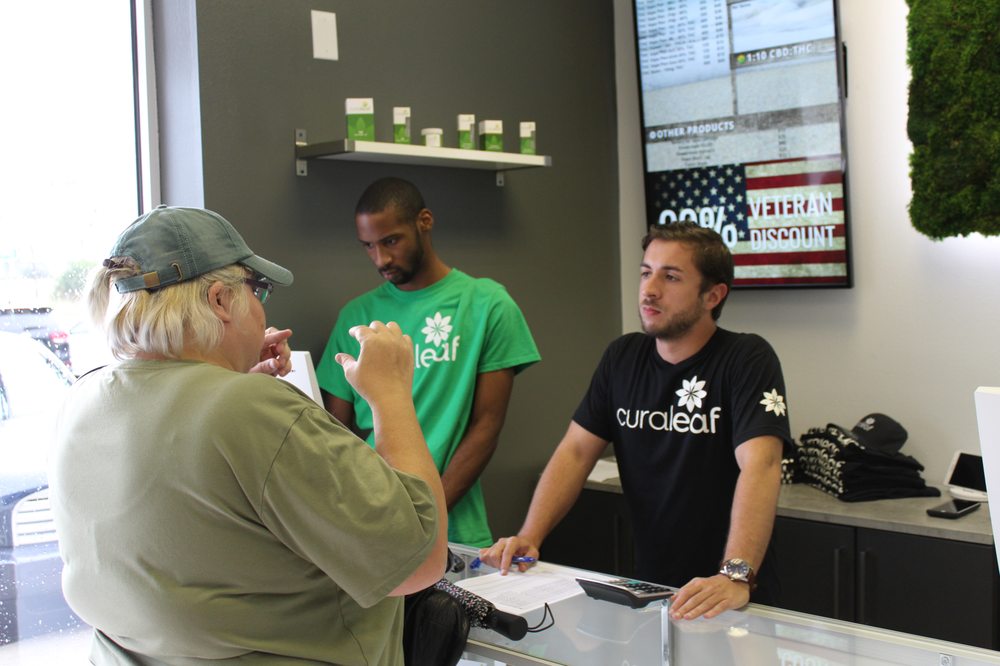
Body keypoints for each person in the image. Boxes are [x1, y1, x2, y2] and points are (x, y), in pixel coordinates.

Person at [51, 205, 448, 665]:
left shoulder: (82, 400)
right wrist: (391, 394)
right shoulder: (250, 408)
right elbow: (419, 563)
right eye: (257, 289)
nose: (261, 308)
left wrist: (228, 376)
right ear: (220, 300)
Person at [479, 222, 792, 621]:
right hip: (652, 587)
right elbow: (576, 452)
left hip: (731, 593)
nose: (650, 289)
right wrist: (530, 535)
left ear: (713, 295)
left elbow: (762, 463)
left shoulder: (746, 358)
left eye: (671, 277)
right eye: (646, 273)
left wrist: (735, 575)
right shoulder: (623, 357)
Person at [316, 177, 540, 548]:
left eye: (391, 241)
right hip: (373, 523)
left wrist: (427, 515)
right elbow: (335, 432)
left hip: (453, 529)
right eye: (368, 246)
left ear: (424, 221)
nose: (381, 259)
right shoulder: (356, 316)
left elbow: (486, 427)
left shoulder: (487, 305)